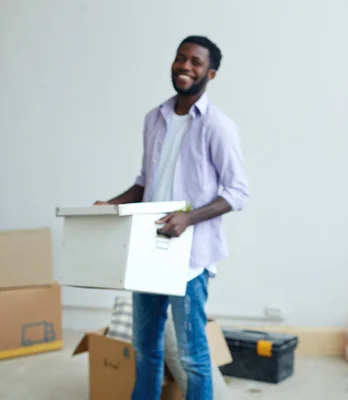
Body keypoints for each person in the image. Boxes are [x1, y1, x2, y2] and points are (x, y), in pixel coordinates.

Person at [94, 35, 249, 400]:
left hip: (190, 258)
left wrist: (188, 218)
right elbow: (147, 183)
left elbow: (237, 192)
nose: (185, 66)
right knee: (145, 347)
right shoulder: (155, 118)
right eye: (181, 58)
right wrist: (110, 204)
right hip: (148, 250)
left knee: (193, 356)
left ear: (210, 73)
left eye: (195, 62)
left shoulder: (218, 126)